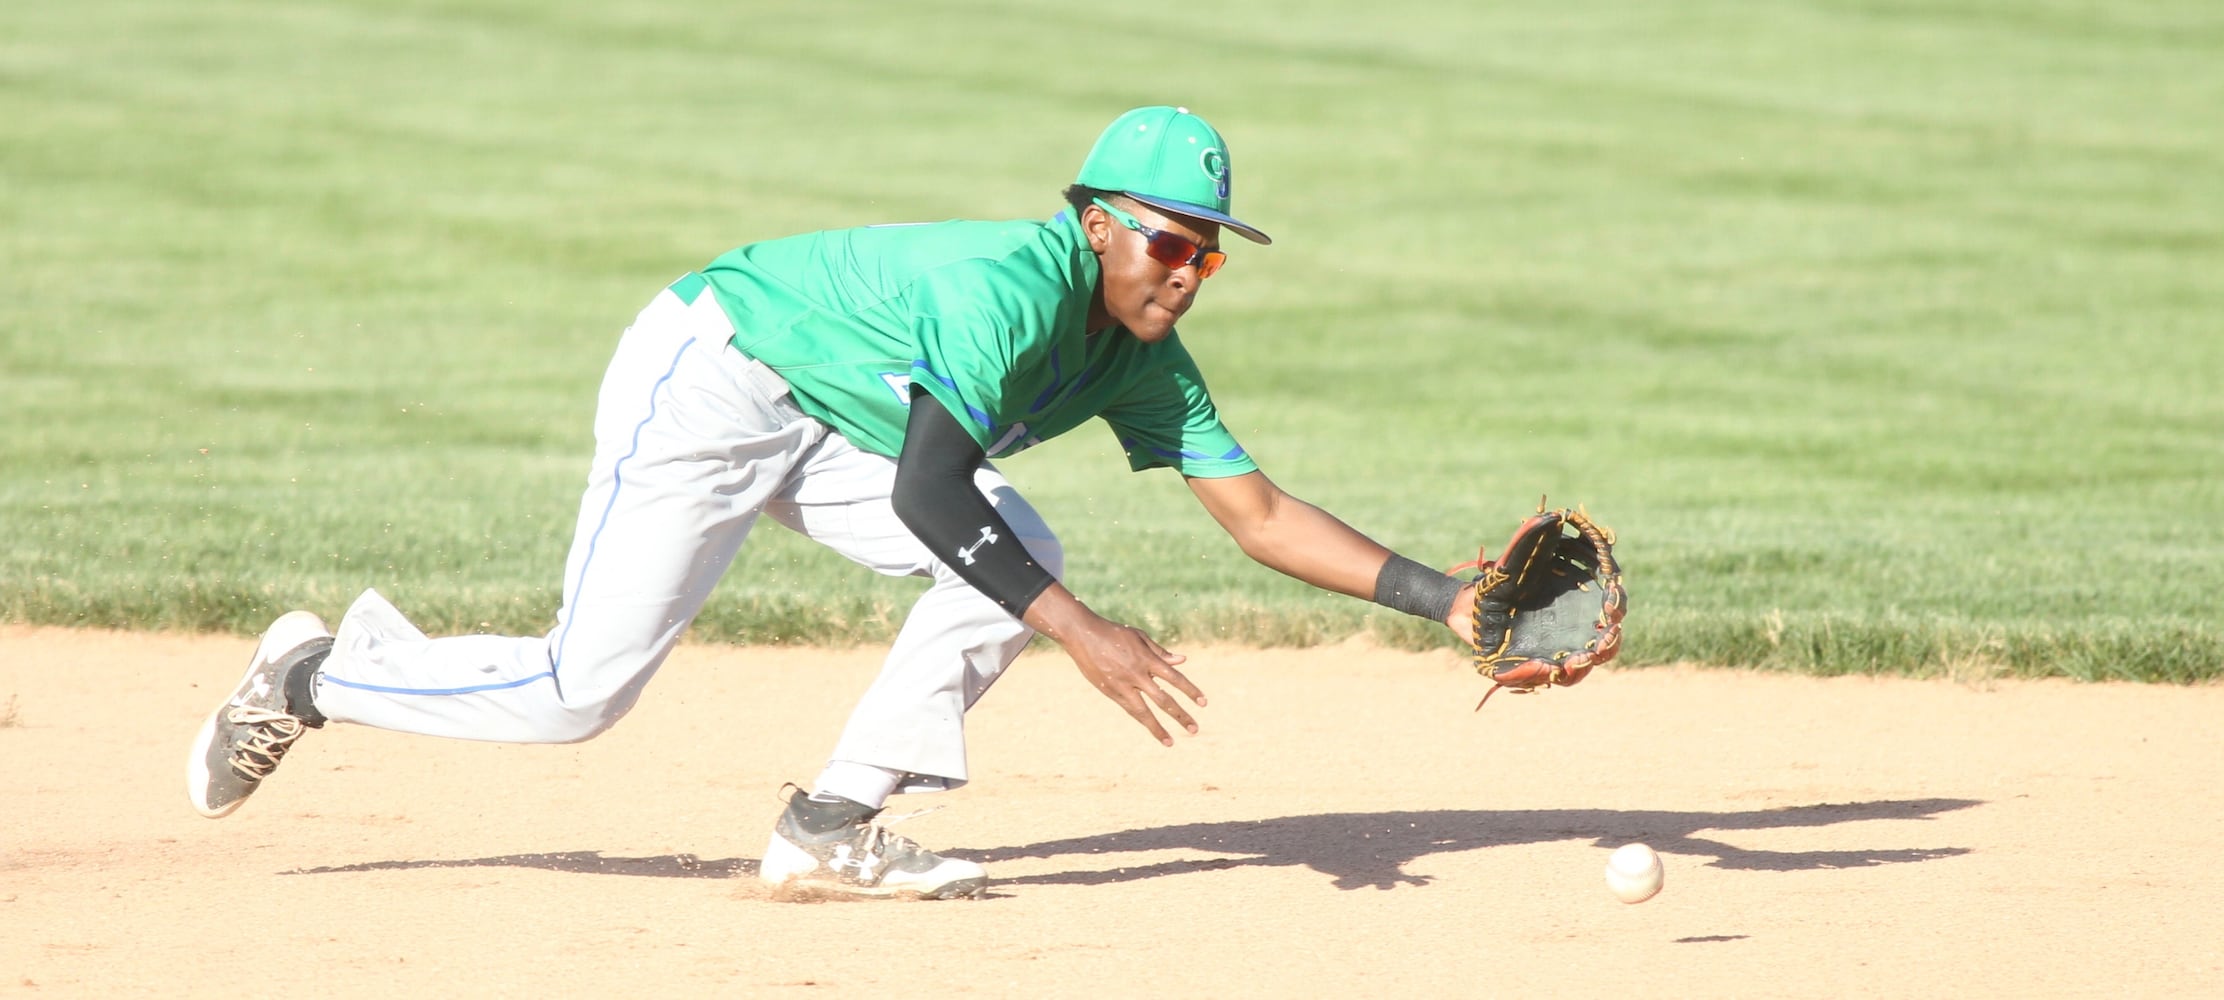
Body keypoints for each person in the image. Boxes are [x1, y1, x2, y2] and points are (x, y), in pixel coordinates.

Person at [186, 106, 1480, 900]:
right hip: (720, 372)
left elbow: (1257, 515)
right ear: (1093, 222)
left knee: (1020, 545)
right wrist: (1082, 631)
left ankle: (831, 824)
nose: (1189, 271)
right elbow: (929, 489)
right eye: (1168, 239)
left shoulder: (1142, 357)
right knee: (574, 697)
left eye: (1208, 250)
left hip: (838, 418)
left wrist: (1450, 600)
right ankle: (310, 678)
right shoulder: (1011, 288)